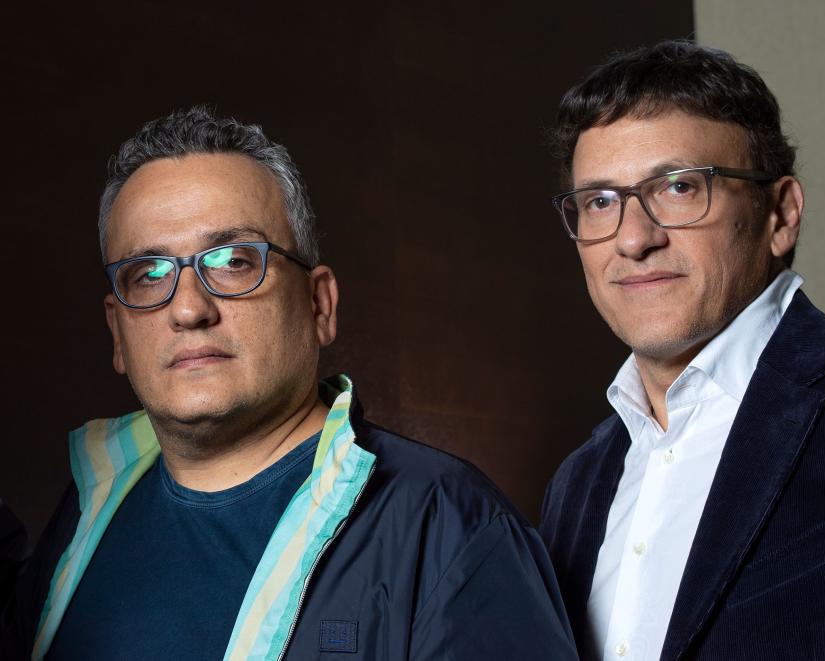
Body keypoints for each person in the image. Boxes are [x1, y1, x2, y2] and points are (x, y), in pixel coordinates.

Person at [2, 107, 577, 661]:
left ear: (319, 304)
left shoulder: (449, 525)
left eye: (233, 260)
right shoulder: (84, 515)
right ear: (118, 335)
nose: (188, 309)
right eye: (149, 274)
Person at [539, 40, 825, 661]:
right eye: (600, 202)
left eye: (679, 187)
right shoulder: (576, 484)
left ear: (781, 214)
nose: (632, 238)